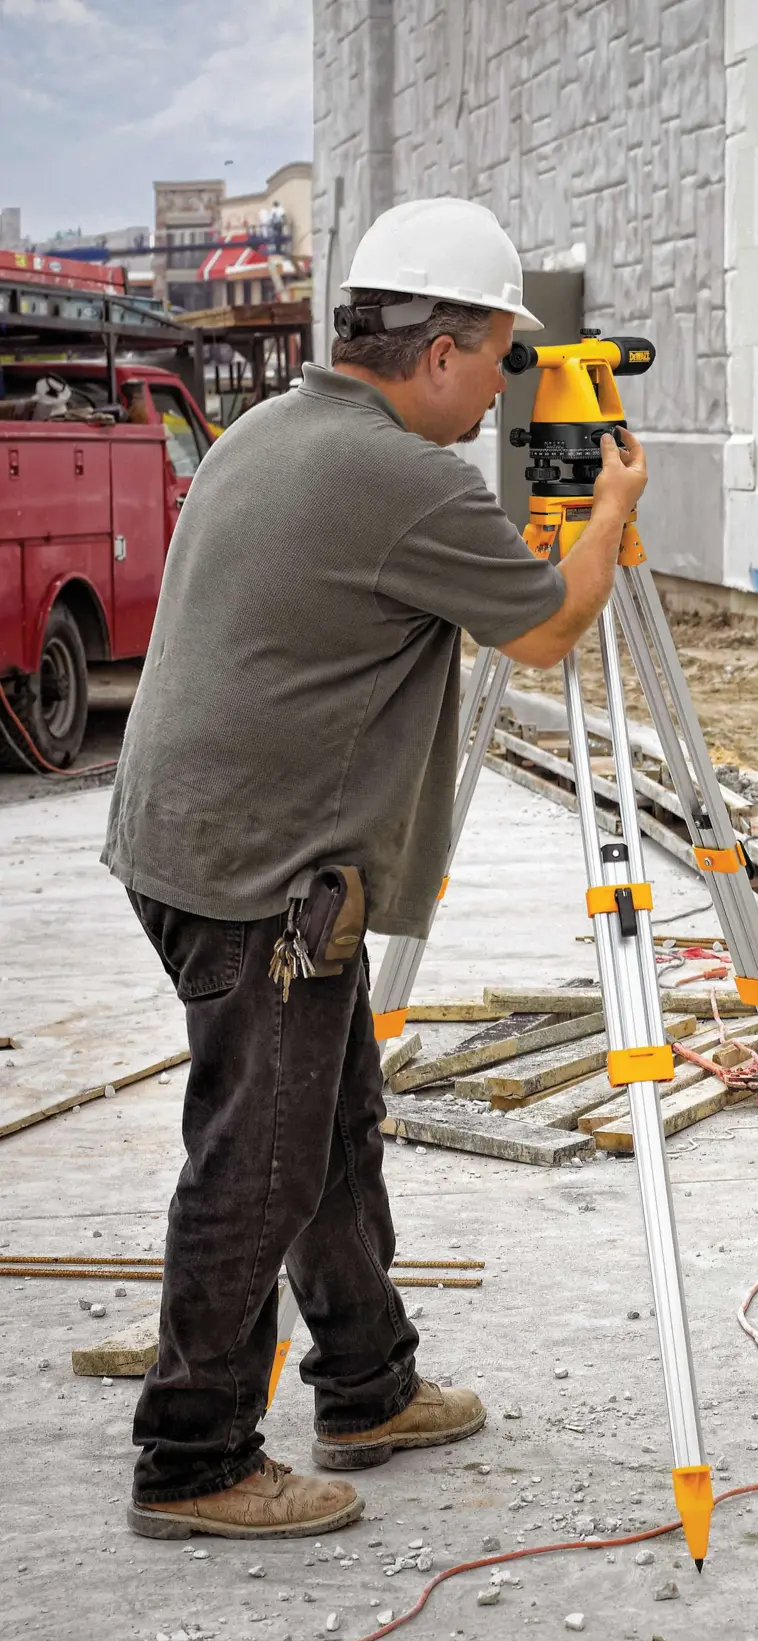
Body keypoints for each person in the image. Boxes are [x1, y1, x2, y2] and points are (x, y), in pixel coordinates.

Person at [101, 197, 648, 1541]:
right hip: (260, 876)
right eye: (501, 363)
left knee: (327, 1130)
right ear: (445, 350)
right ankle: (194, 1458)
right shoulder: (404, 479)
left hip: (189, 842)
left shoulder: (275, 429)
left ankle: (367, 1384)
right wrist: (612, 506)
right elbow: (549, 631)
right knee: (259, 1160)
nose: (501, 396)